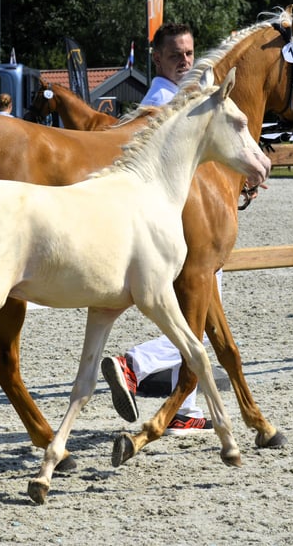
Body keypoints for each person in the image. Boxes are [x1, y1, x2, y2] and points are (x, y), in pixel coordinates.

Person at [101, 22, 216, 436]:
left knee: (196, 314)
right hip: (179, 226)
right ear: (157, 59)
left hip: (181, 220)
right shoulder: (165, 104)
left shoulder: (183, 98)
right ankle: (135, 365)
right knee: (198, 317)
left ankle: (181, 406)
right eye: (176, 55)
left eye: (189, 53)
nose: (186, 61)